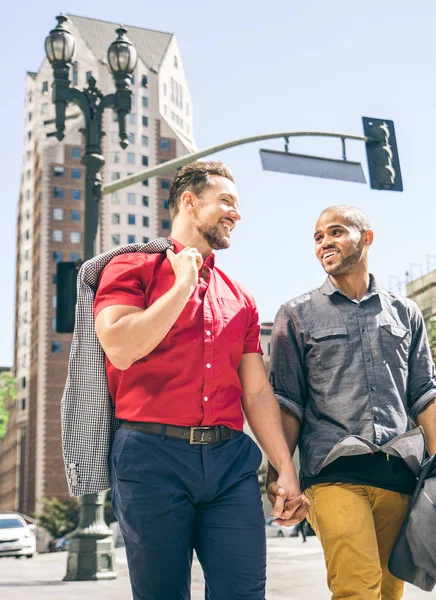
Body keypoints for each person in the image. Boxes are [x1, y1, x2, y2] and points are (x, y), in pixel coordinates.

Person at [94, 161, 307, 600]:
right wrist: (182, 285)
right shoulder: (132, 266)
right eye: (226, 201)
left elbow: (256, 390)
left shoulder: (240, 297)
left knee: (244, 593)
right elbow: (120, 347)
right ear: (189, 203)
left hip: (230, 463)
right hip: (150, 459)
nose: (237, 213)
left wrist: (285, 466)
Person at [267, 205, 436, 600]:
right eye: (318, 237)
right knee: (358, 586)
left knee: (388, 591)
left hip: (398, 476)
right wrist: (281, 473)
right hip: (333, 472)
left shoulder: (405, 313)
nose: (324, 243)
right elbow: (287, 403)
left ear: (366, 238)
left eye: (335, 232)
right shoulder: (296, 315)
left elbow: (426, 394)